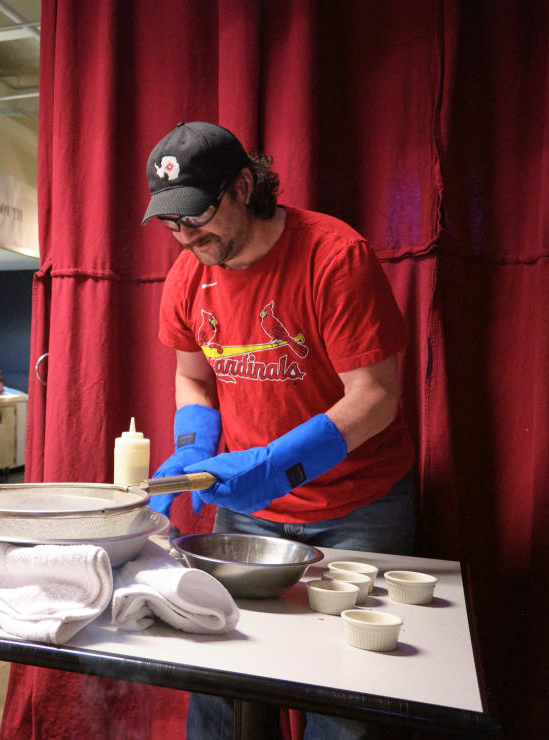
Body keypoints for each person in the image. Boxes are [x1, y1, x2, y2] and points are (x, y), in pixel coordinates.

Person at [142, 121, 415, 740]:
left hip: (357, 506)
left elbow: (376, 396)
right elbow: (195, 379)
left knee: (346, 695)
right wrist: (193, 449)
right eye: (171, 221)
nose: (187, 236)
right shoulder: (189, 274)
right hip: (246, 511)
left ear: (244, 186)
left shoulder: (334, 256)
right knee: (222, 678)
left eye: (199, 215)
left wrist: (277, 464)